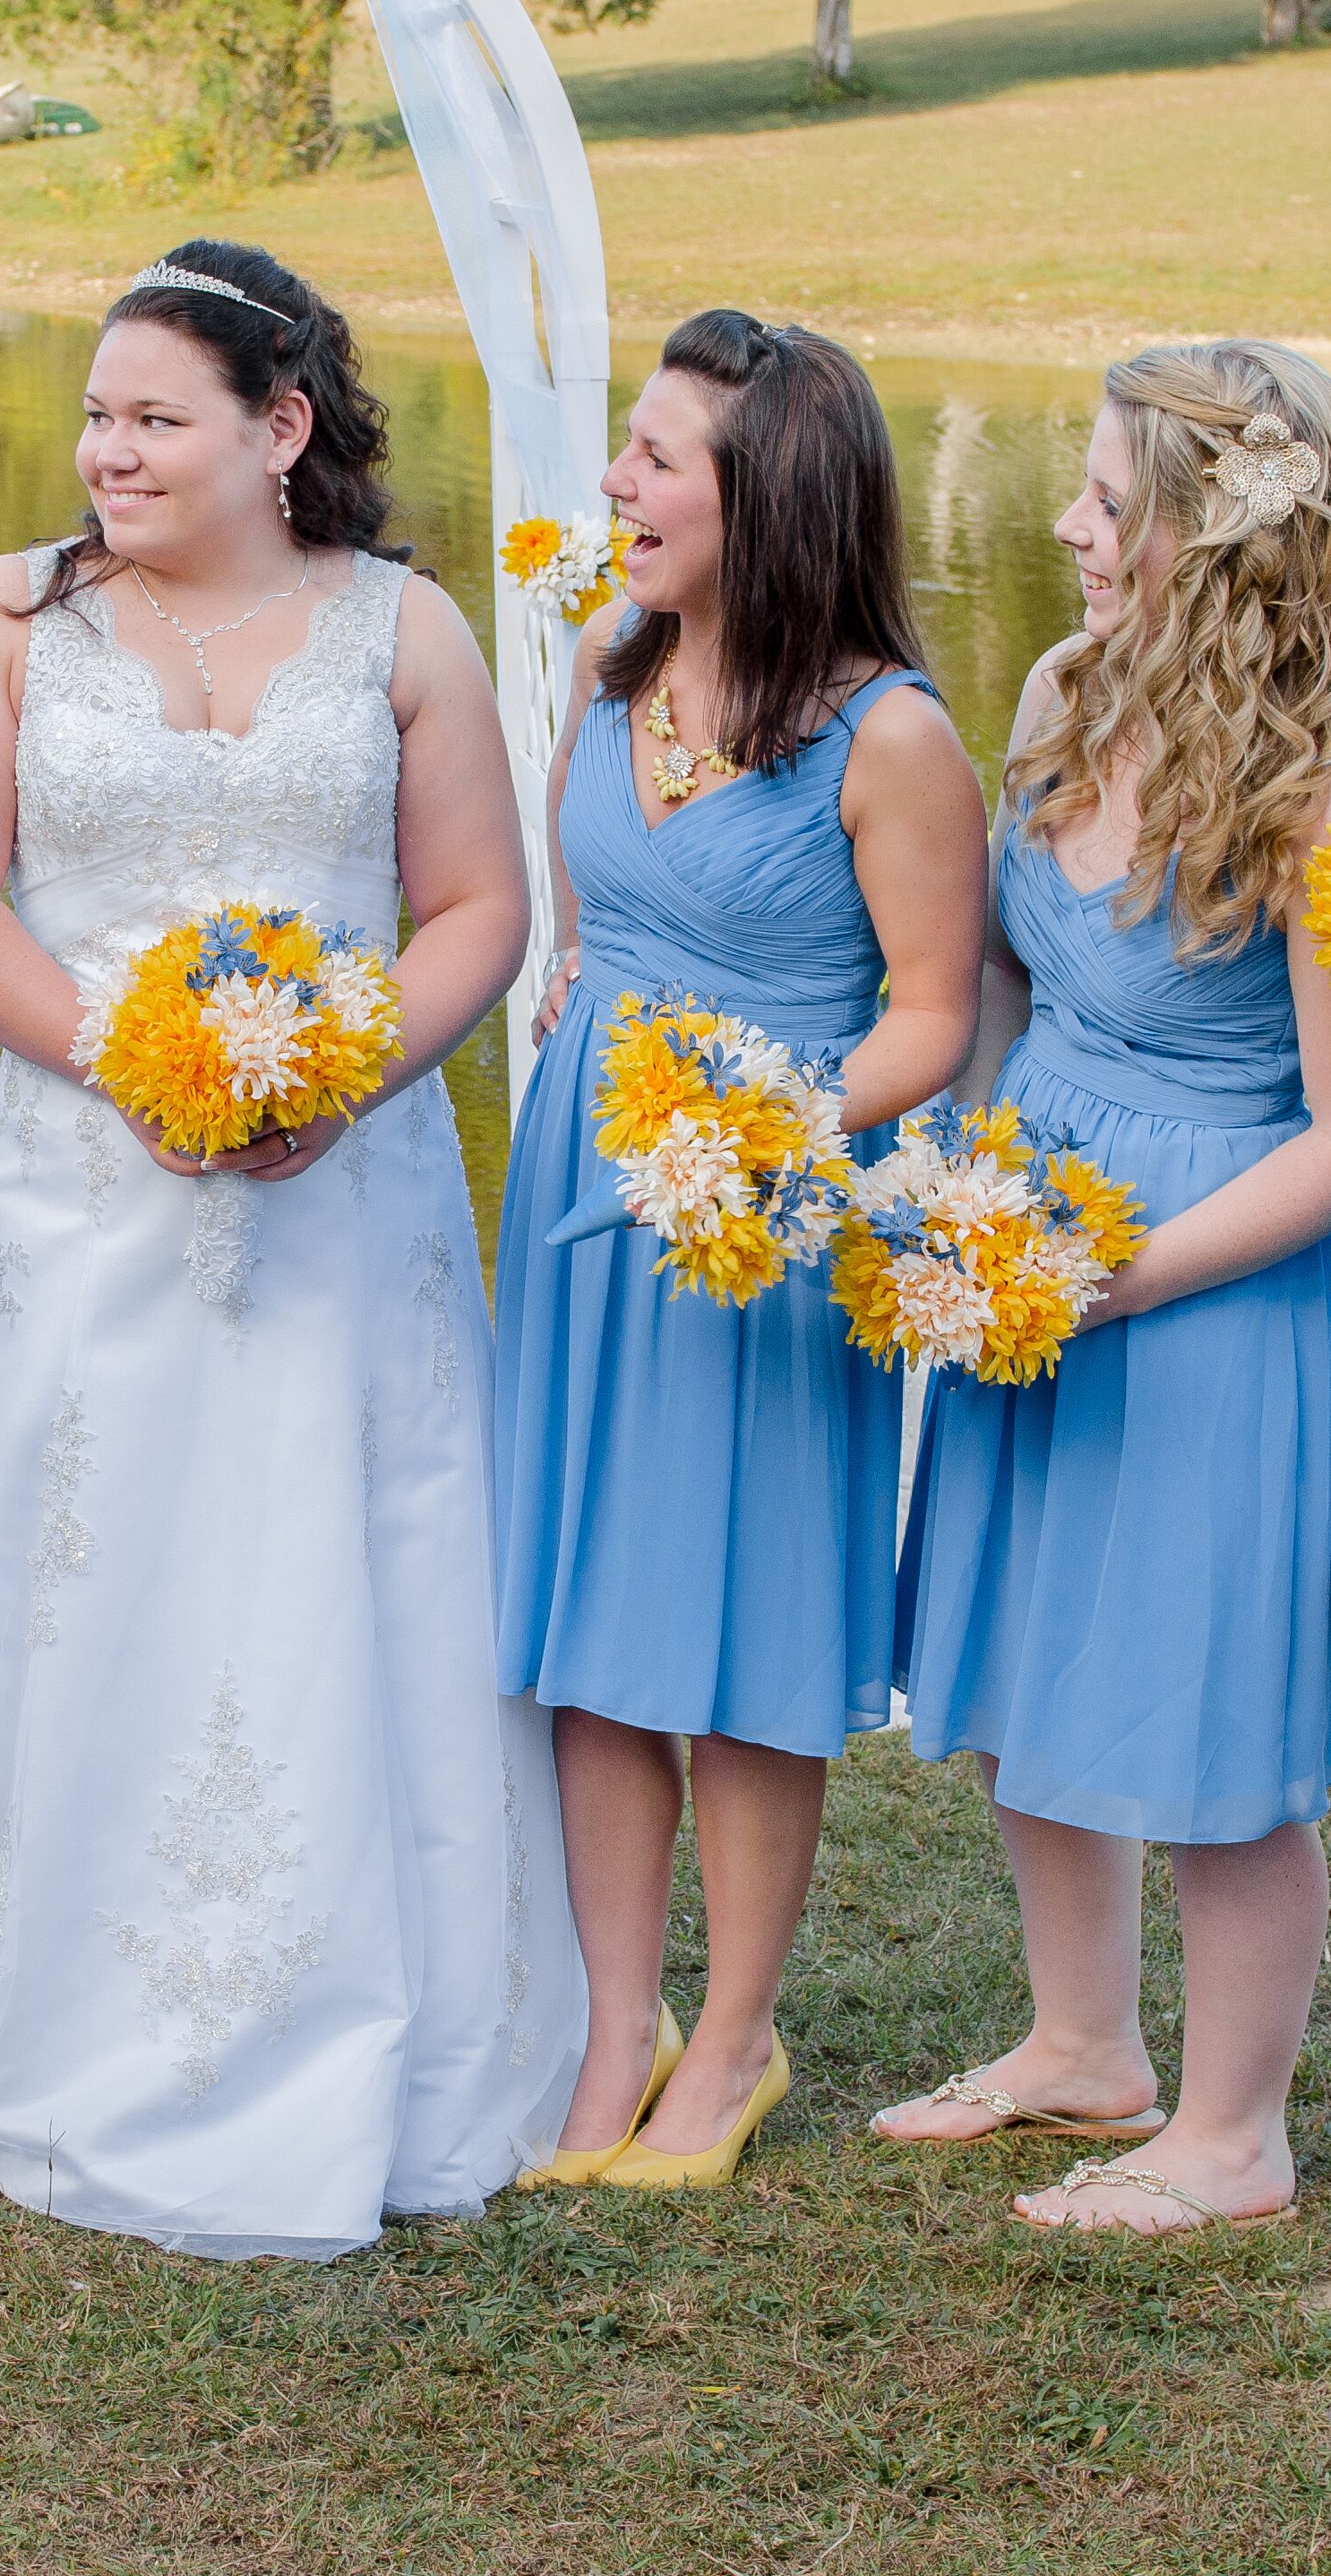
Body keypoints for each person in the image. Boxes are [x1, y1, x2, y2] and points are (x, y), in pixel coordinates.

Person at [0, 239, 581, 2258]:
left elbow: (472, 914)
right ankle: (14, 1996)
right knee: (70, 1541)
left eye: (153, 418)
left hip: (348, 1194)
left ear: (279, 431)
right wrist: (137, 1062)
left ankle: (374, 2011)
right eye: (96, 415)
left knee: (334, 1552)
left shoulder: (407, 630)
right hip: (84, 1182)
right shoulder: (11, 613)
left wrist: (343, 1077)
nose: (106, 451)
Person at [873, 341, 1331, 2237]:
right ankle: (1077, 2047)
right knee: (1030, 1666)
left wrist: (1126, 1277)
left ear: (1213, 536)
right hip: (1031, 1243)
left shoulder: (1329, 806)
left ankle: (1231, 2135)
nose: (1069, 528)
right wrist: (960, 1189)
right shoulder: (1058, 688)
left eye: (1107, 502)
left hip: (1210, 1284)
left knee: (1211, 1739)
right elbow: (1010, 991)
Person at [493, 313, 985, 2190]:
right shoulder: (606, 688)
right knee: (599, 1628)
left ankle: (735, 2037)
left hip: (767, 1231)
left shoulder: (891, 737)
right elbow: (582, 941)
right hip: (582, 1200)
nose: (615, 485)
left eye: (654, 458)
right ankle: (614, 2023)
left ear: (762, 498)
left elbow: (932, 1015)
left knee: (751, 1634)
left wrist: (769, 1139)